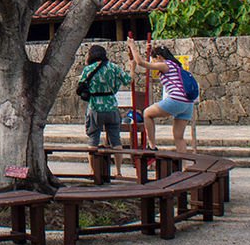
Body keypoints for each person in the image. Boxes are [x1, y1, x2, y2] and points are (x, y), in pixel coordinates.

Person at [128, 35, 193, 153]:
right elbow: (149, 62)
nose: (153, 63)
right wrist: (149, 50)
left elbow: (140, 62)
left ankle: (152, 146)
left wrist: (132, 46)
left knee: (147, 113)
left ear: (159, 57)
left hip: (176, 100)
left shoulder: (165, 64)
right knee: (179, 137)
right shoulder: (176, 65)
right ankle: (185, 165)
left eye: (154, 59)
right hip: (188, 104)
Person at [79, 44, 133, 176]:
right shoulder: (114, 67)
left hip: (95, 106)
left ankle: (93, 171)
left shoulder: (88, 69)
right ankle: (119, 171)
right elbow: (128, 80)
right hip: (112, 106)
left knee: (93, 140)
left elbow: (80, 85)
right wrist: (133, 68)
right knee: (116, 140)